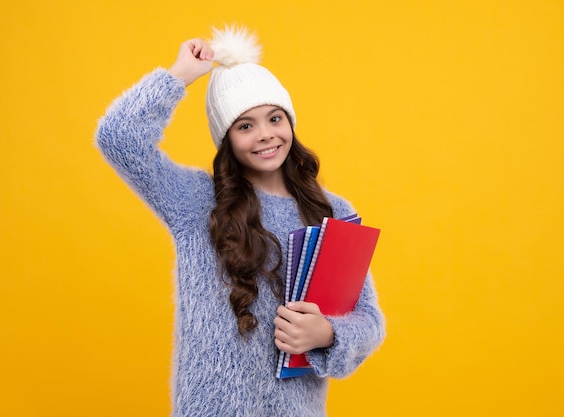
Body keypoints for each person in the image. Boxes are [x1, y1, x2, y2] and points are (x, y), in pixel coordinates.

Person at [96, 26, 385, 417]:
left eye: (275, 118)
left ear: (290, 123)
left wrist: (328, 334)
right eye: (245, 126)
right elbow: (118, 137)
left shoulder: (329, 209)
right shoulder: (197, 202)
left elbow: (368, 321)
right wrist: (179, 75)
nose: (266, 135)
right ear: (227, 139)